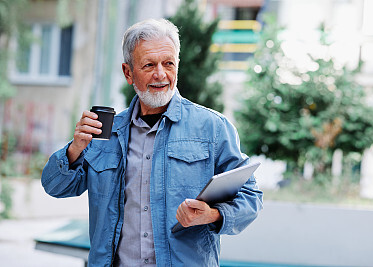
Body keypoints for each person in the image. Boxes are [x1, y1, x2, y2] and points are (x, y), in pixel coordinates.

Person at [41, 18, 263, 266]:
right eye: (148, 65)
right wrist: (75, 148)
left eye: (168, 63)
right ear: (128, 72)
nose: (161, 74)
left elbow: (250, 195)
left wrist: (213, 215)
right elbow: (55, 187)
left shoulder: (213, 127)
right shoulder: (105, 132)